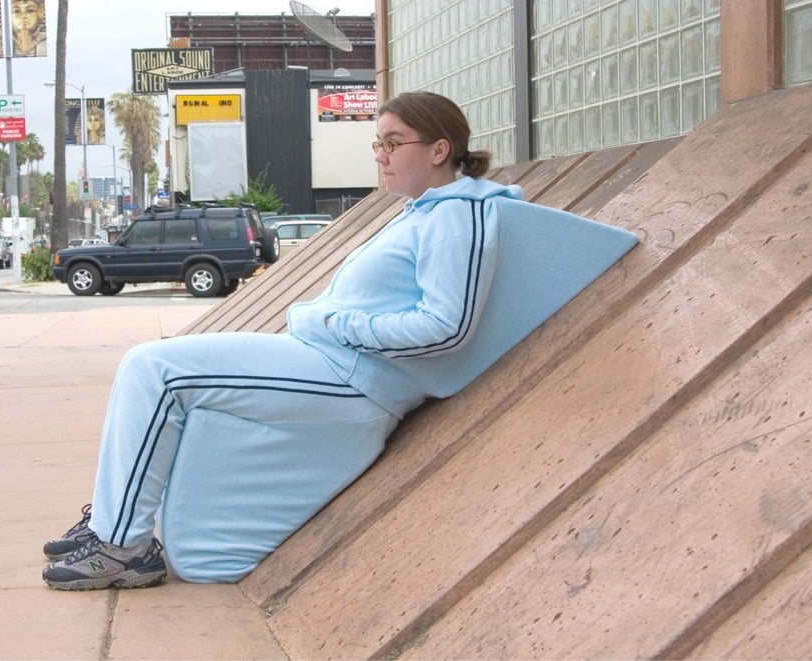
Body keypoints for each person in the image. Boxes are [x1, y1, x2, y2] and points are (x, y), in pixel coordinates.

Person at [41, 91, 524, 590]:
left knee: (157, 372)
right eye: (377, 143)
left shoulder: (457, 216)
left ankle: (122, 546)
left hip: (354, 382)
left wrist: (339, 325)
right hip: (329, 361)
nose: (381, 155)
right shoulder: (422, 211)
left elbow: (447, 326)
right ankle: (112, 521)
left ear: (439, 150)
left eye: (393, 143)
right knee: (146, 364)